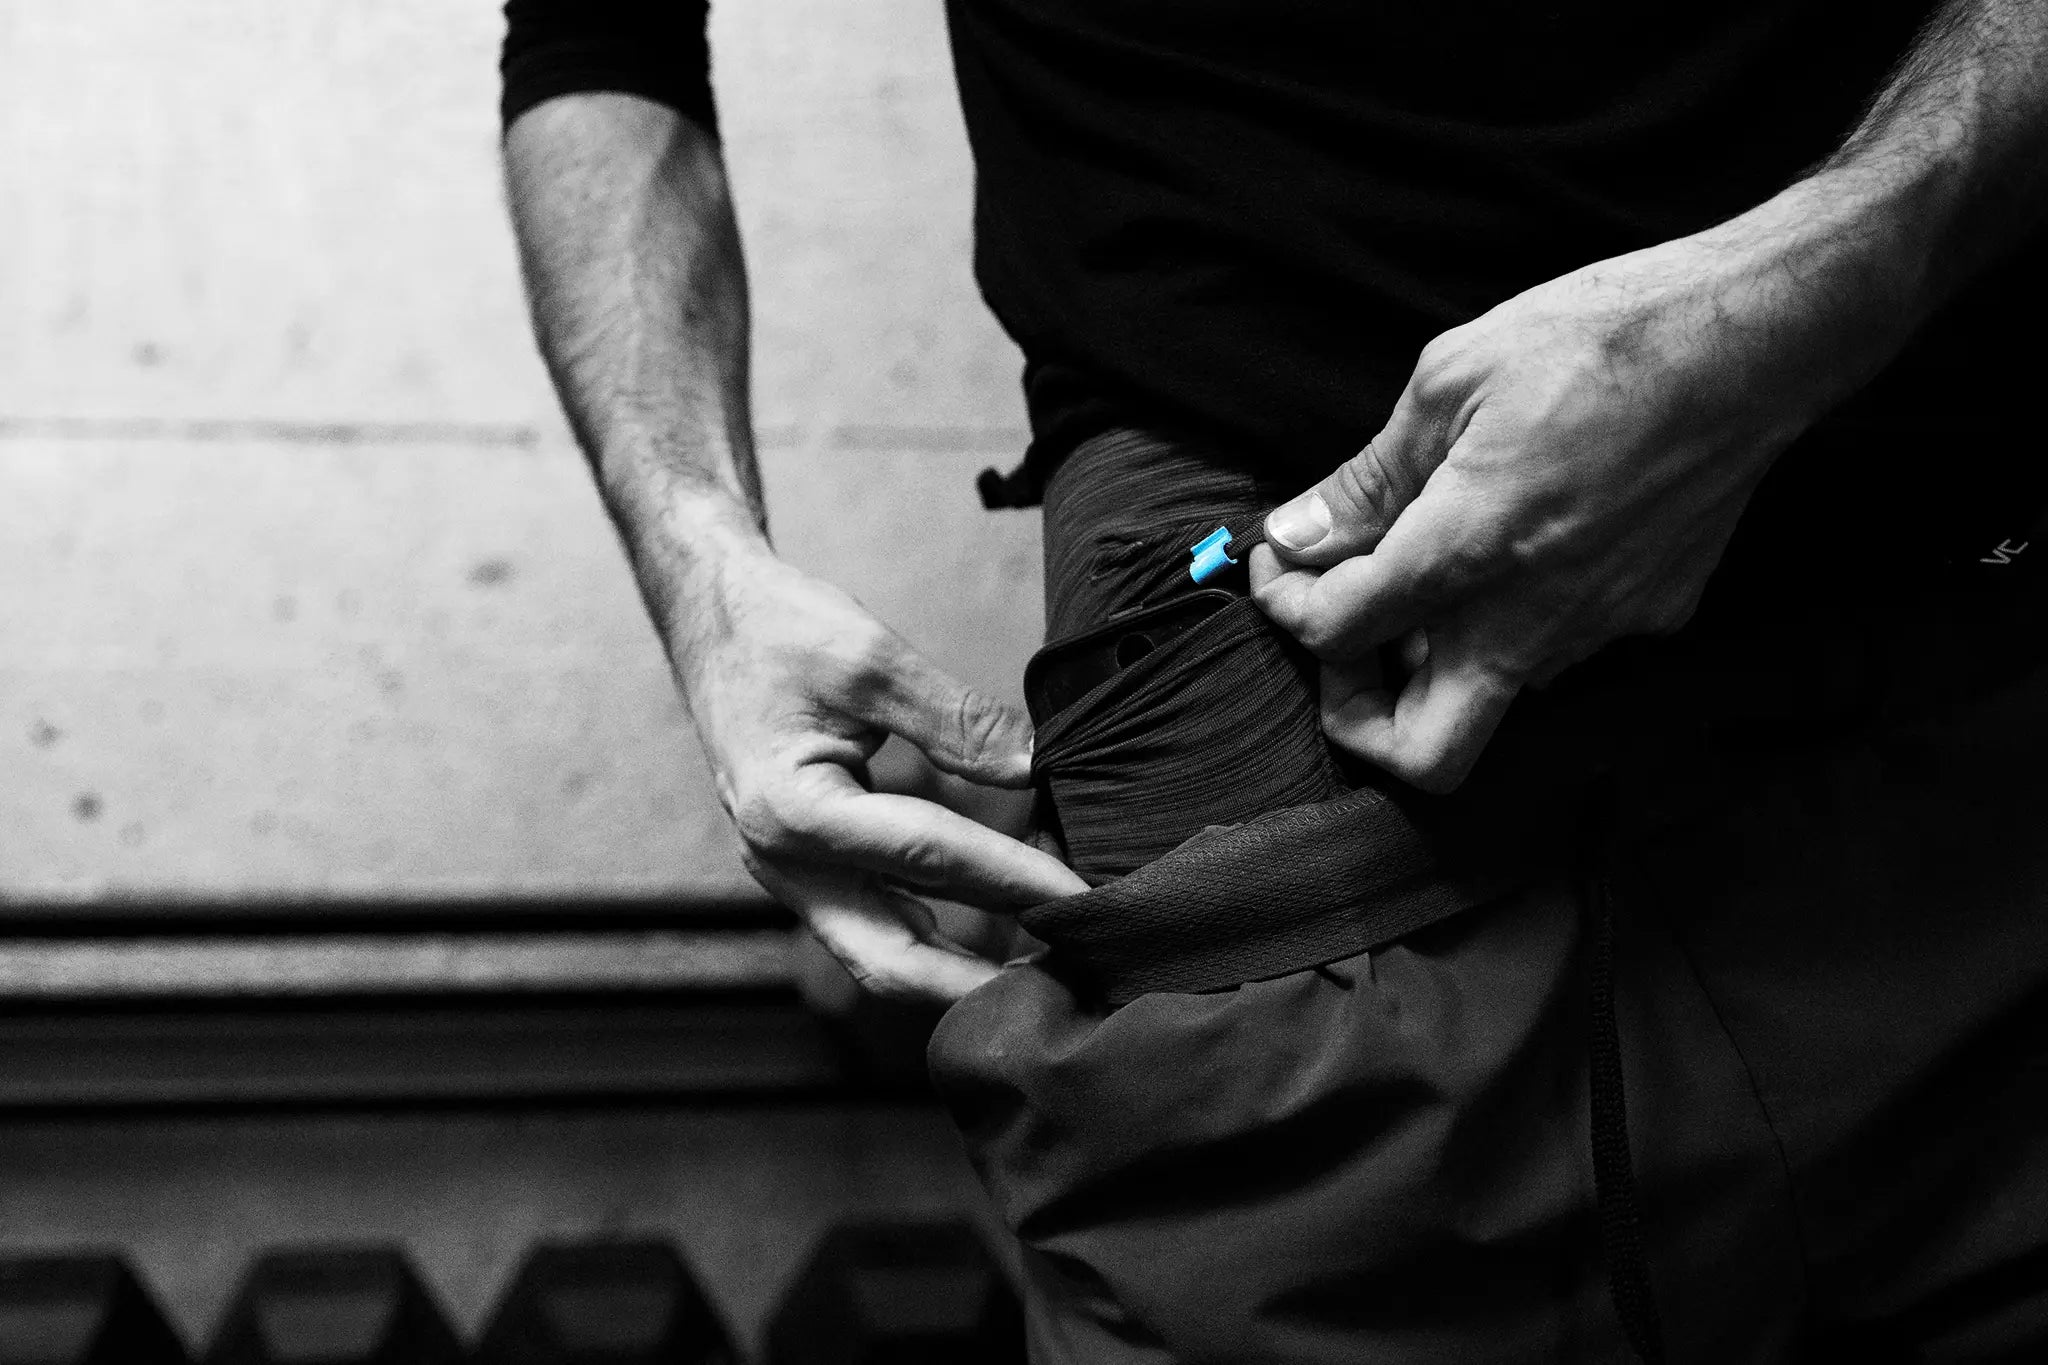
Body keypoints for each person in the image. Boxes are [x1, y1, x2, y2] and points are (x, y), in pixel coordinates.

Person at [499, 2, 2048, 1359]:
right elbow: (600, 34)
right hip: (1279, 703)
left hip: (1962, 642)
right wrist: (701, 559)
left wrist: (1831, 269)